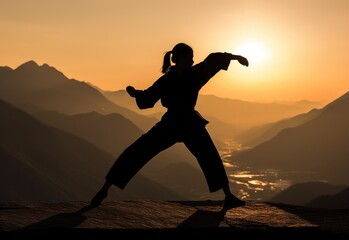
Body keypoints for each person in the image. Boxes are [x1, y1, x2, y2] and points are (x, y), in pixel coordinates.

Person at [91, 42, 249, 208]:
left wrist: (235, 57)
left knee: (208, 156)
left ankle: (229, 197)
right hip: (182, 123)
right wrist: (136, 93)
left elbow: (212, 59)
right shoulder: (186, 76)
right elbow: (148, 97)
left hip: (178, 123)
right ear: (181, 58)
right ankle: (104, 190)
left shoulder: (185, 76)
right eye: (190, 58)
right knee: (137, 152)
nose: (193, 61)